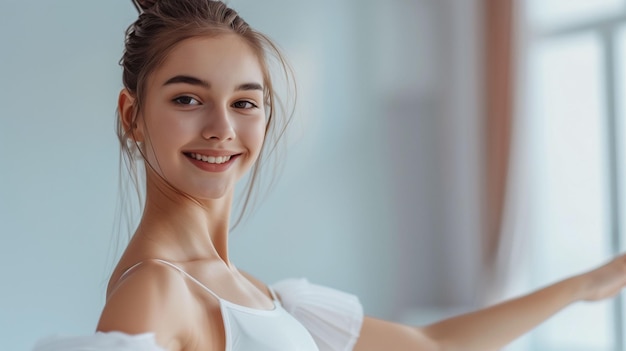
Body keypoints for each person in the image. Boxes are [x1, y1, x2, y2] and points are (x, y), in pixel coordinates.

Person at [33, 0, 626, 350]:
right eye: (188, 99)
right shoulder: (156, 292)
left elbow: (431, 346)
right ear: (133, 115)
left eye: (245, 103)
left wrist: (585, 286)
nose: (222, 128)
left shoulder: (263, 297)